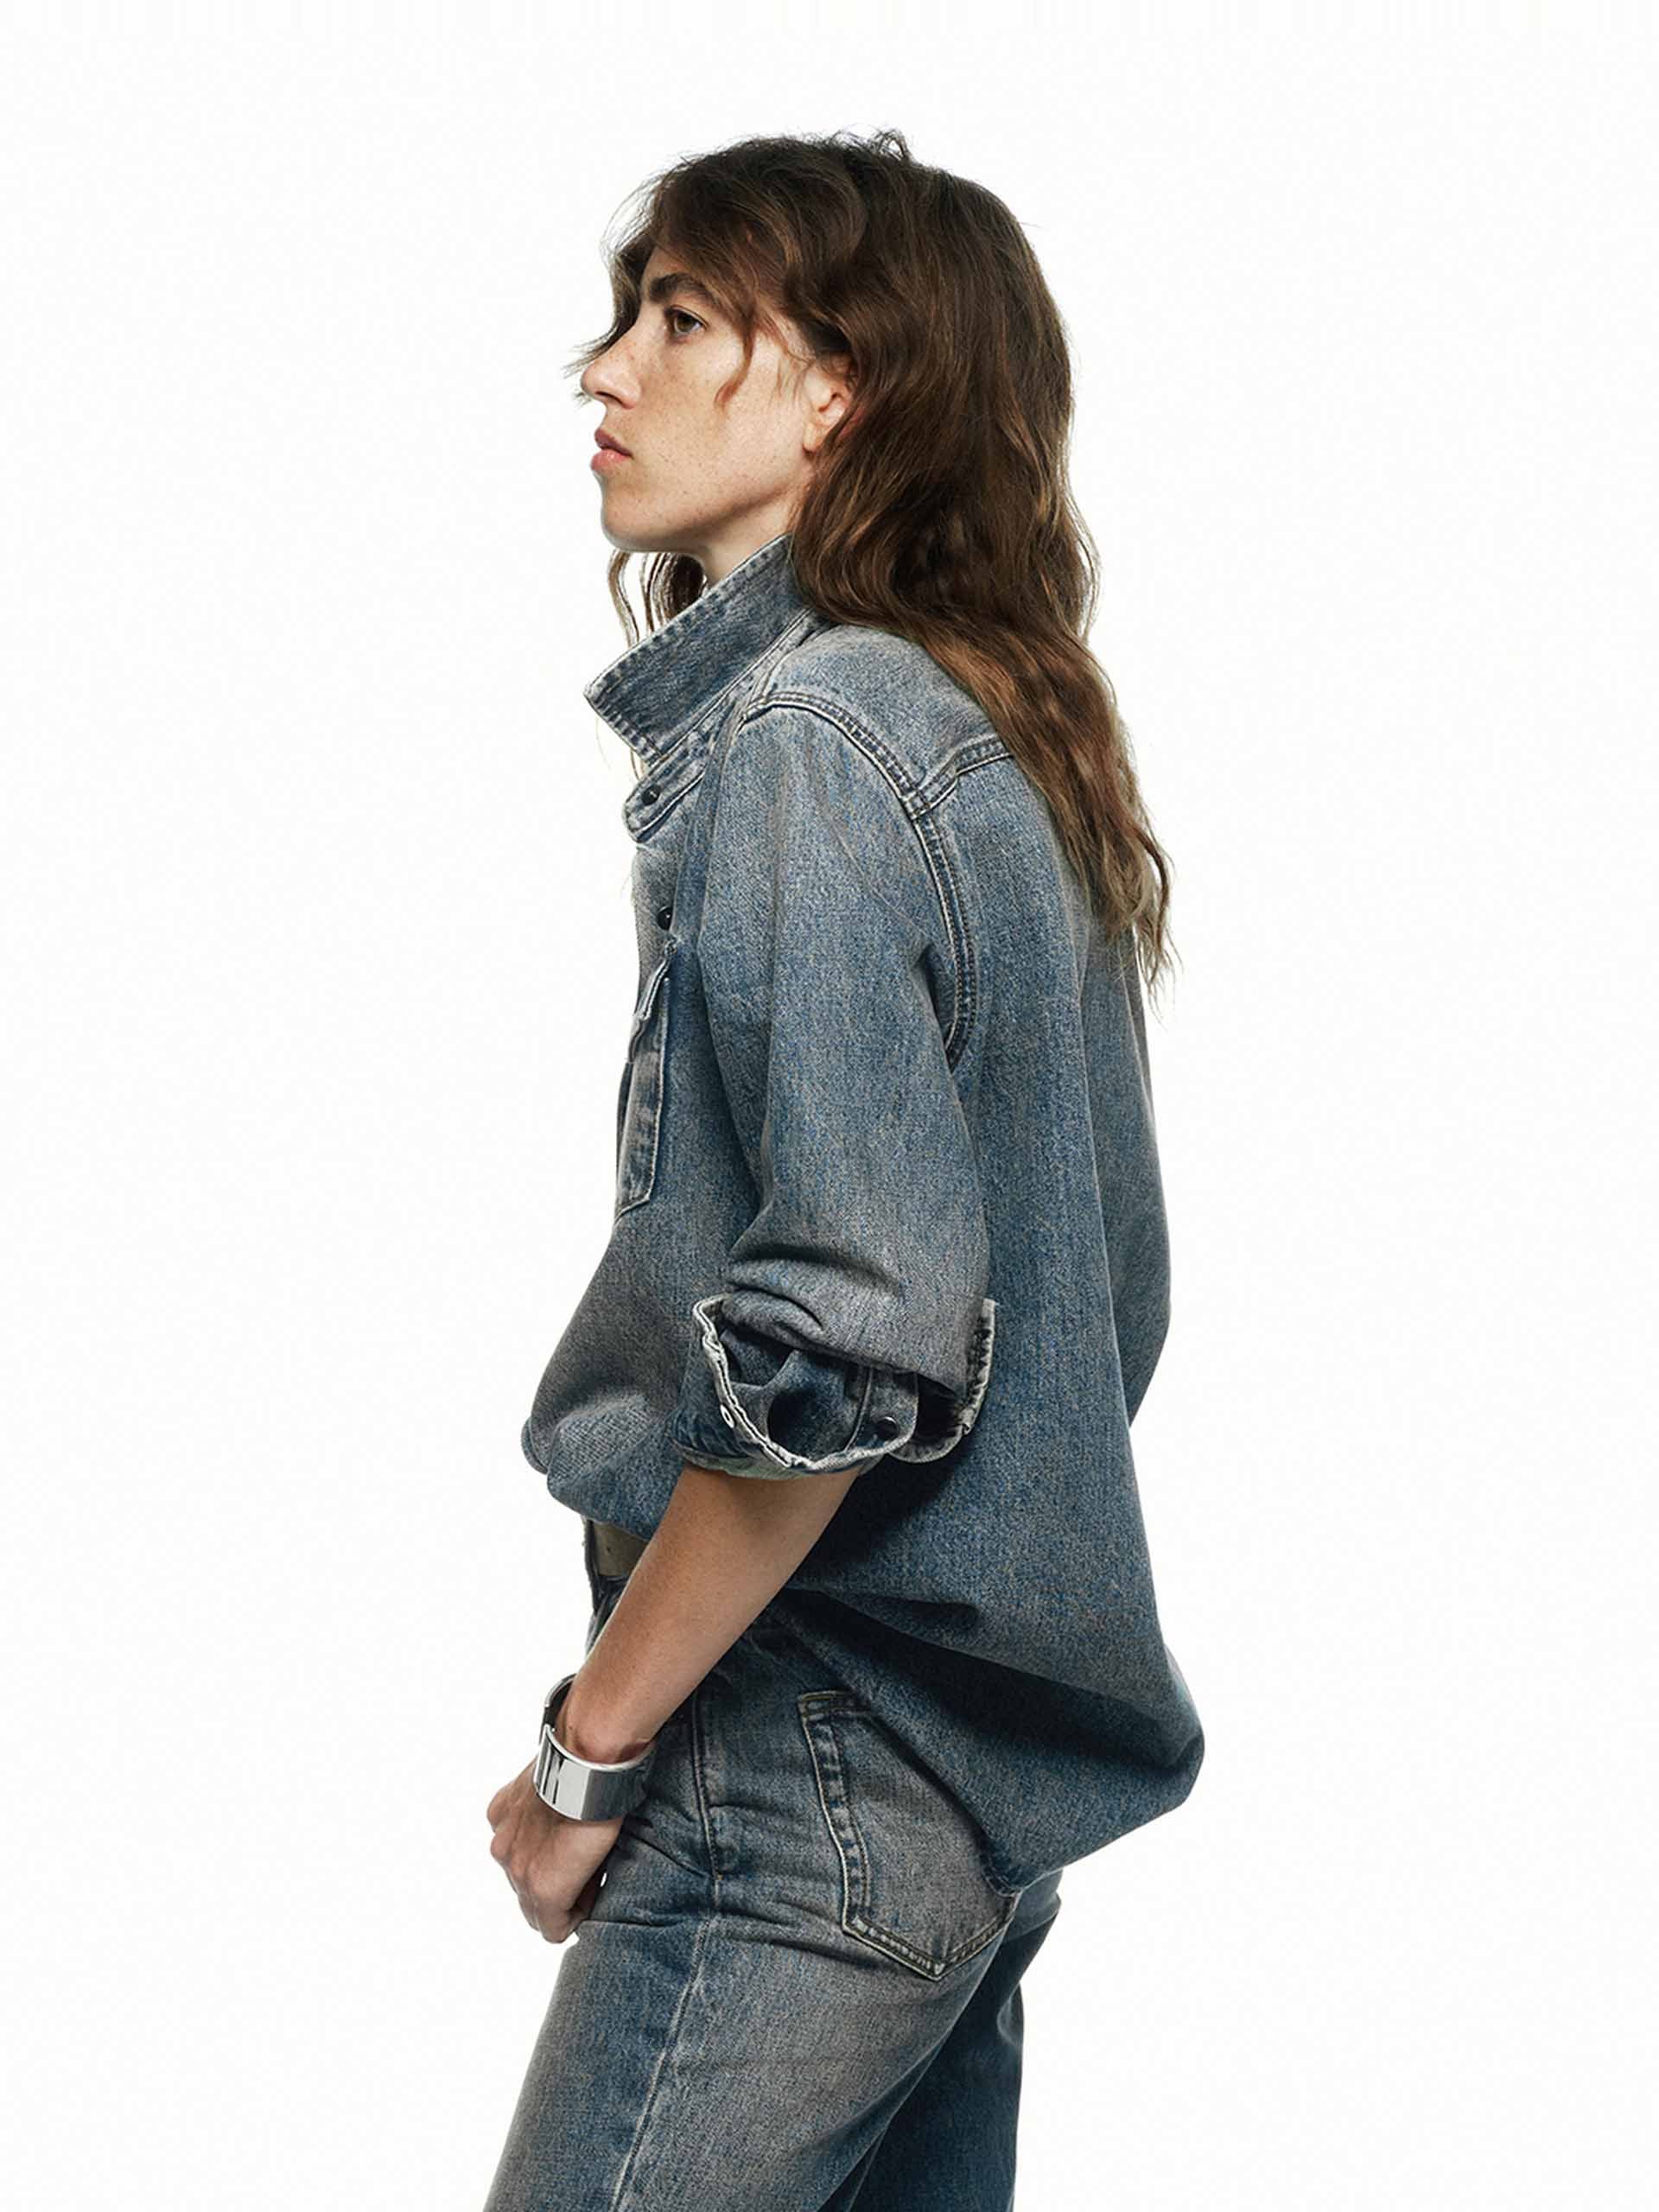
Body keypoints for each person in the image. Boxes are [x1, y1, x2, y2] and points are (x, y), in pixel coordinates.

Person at [483, 128, 1205, 2212]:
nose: (604, 370)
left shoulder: (816, 745)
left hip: (804, 1782)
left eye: (679, 318)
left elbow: (846, 1355)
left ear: (838, 388)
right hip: (960, 1801)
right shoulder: (993, 734)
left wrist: (592, 1744)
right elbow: (1099, 1300)